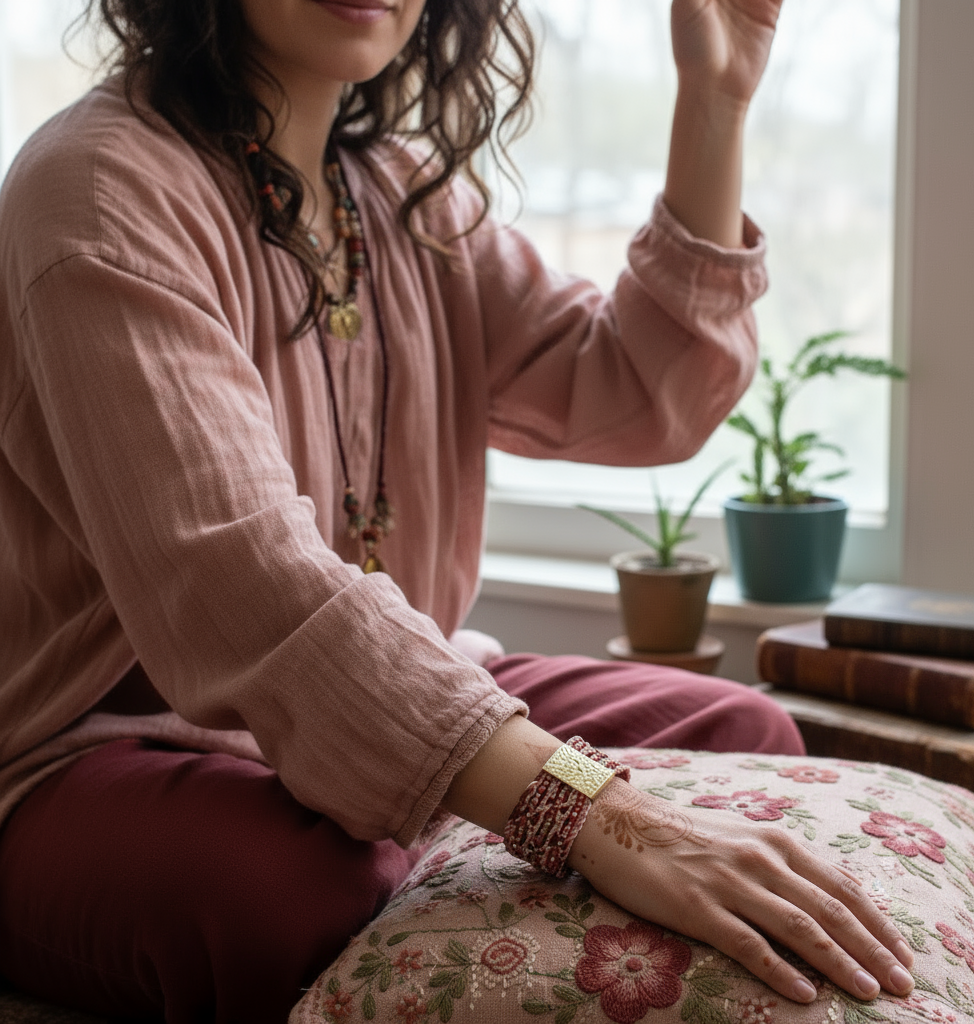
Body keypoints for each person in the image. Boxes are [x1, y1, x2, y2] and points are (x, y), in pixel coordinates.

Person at [0, 0, 916, 1020]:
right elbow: (255, 594)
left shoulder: (393, 190)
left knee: (732, 731)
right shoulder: (97, 187)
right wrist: (609, 825)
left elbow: (631, 389)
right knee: (298, 898)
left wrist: (715, 98)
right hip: (84, 754)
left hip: (397, 687)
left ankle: (434, 828)